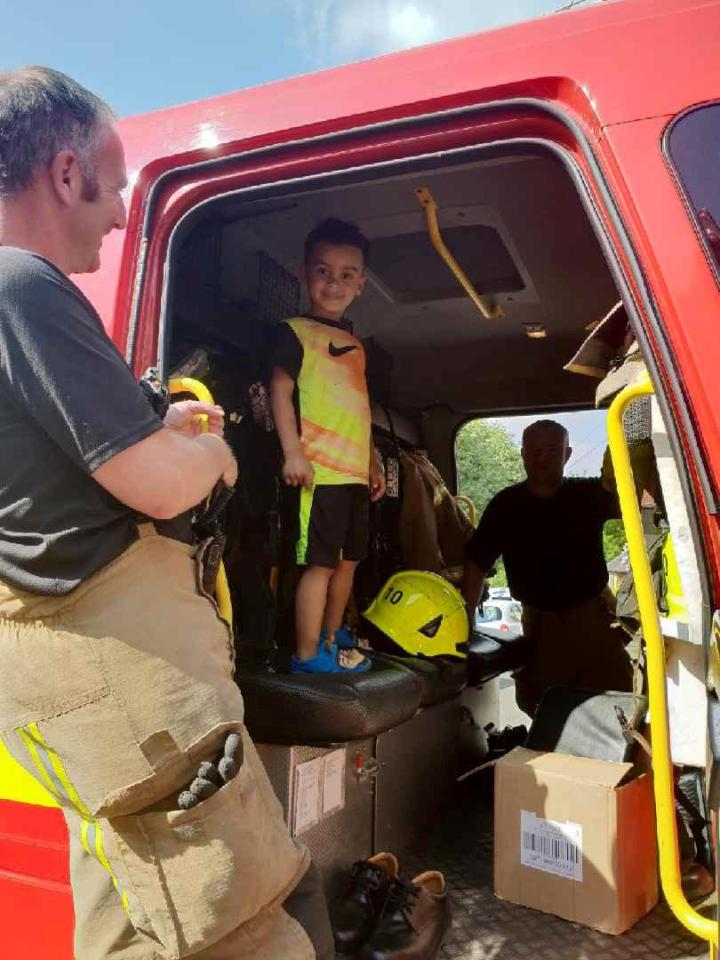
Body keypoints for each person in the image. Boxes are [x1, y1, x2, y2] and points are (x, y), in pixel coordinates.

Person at [0, 67, 333, 960]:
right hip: (119, 667)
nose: (118, 214)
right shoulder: (21, 285)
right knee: (237, 922)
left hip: (72, 673)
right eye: (112, 188)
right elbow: (159, 487)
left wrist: (158, 426)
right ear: (65, 174)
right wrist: (214, 452)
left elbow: (69, 460)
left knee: (132, 917)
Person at [271, 218, 386, 674]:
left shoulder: (356, 344)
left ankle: (332, 635)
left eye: (345, 274)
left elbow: (360, 410)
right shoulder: (293, 331)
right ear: (305, 274)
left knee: (349, 562)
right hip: (320, 473)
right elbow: (280, 392)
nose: (333, 283)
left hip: (355, 473)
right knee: (318, 564)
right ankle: (306, 655)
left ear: (360, 284)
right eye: (323, 271)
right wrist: (292, 453)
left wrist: (373, 459)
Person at [462, 419, 633, 716]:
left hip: (593, 616)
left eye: (552, 450)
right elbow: (477, 564)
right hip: (538, 622)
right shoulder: (506, 505)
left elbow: (635, 505)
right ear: (523, 454)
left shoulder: (590, 494)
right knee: (542, 706)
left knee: (617, 702)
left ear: (567, 454)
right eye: (535, 451)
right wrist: (466, 625)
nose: (543, 458)